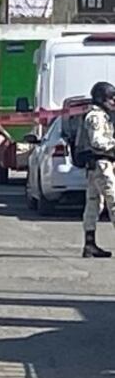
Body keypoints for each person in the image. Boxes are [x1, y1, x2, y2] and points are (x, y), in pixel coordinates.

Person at [79, 82, 115, 258]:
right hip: (102, 164)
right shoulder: (96, 117)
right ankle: (90, 244)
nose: (113, 101)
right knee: (113, 201)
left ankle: (90, 244)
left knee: (94, 204)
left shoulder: (97, 114)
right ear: (101, 98)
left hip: (96, 165)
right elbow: (97, 141)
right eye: (110, 97)